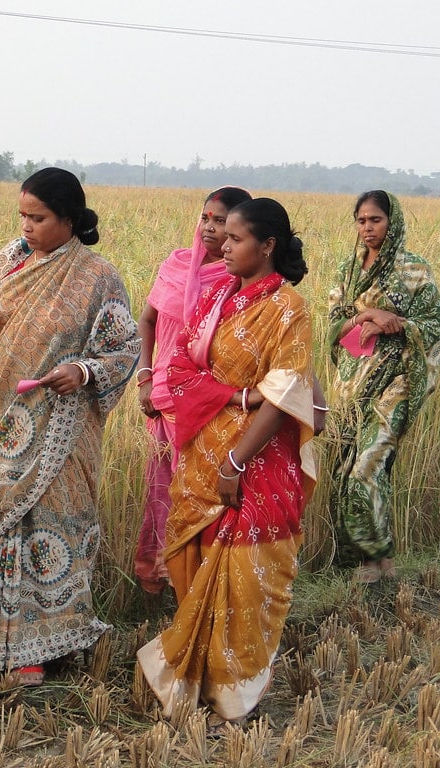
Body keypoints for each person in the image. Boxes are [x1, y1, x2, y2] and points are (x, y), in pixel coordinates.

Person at [0, 167, 139, 686]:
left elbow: (123, 348)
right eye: (23, 216)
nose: (27, 227)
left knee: (58, 531)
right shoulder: (12, 259)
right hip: (6, 427)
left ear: (69, 220)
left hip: (64, 429)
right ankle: (6, 649)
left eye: (38, 218)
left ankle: (50, 649)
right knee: (7, 525)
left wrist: (81, 371)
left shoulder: (98, 276)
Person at [136, 198, 318, 727]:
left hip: (256, 465)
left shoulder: (288, 310)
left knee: (246, 577)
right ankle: (200, 681)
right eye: (223, 236)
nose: (223, 245)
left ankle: (235, 694)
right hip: (201, 455)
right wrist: (239, 397)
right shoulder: (216, 294)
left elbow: (285, 396)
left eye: (236, 239)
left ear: (267, 246)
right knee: (192, 563)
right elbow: (179, 365)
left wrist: (236, 461)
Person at [134, 187, 252, 596]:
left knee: (199, 499)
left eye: (221, 221)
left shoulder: (240, 281)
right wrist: (146, 377)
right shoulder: (176, 266)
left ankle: (198, 591)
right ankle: (155, 584)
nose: (210, 228)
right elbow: (147, 321)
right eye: (206, 218)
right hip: (161, 403)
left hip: (209, 409)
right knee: (159, 494)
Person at [326, 190, 440, 584]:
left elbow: (435, 325)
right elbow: (331, 326)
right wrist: (366, 318)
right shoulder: (348, 270)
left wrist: (396, 321)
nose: (367, 228)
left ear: (391, 222)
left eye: (375, 220)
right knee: (344, 468)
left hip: (397, 381)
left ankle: (379, 558)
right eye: (360, 221)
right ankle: (364, 560)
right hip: (352, 383)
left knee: (369, 465)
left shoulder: (415, 271)